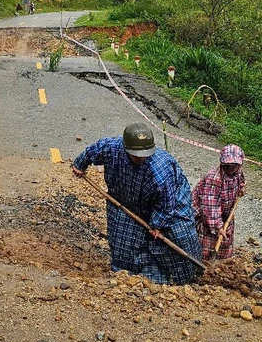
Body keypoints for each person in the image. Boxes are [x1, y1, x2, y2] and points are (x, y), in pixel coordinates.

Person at [72, 122, 202, 284]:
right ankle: (125, 276)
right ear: (125, 148)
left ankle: (185, 278)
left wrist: (158, 225)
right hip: (124, 200)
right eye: (136, 155)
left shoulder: (160, 171)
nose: (141, 158)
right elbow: (93, 151)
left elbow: (166, 201)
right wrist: (80, 164)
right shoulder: (111, 148)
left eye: (145, 154)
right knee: (123, 239)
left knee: (178, 238)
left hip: (170, 205)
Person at [192, 145, 245, 260]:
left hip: (225, 213)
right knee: (207, 244)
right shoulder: (214, 179)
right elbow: (210, 207)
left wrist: (241, 189)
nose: (230, 167)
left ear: (240, 164)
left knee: (225, 239)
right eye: (227, 164)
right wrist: (218, 226)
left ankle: (222, 263)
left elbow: (241, 180)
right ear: (222, 162)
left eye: (234, 165)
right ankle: (204, 266)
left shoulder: (238, 172)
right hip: (206, 215)